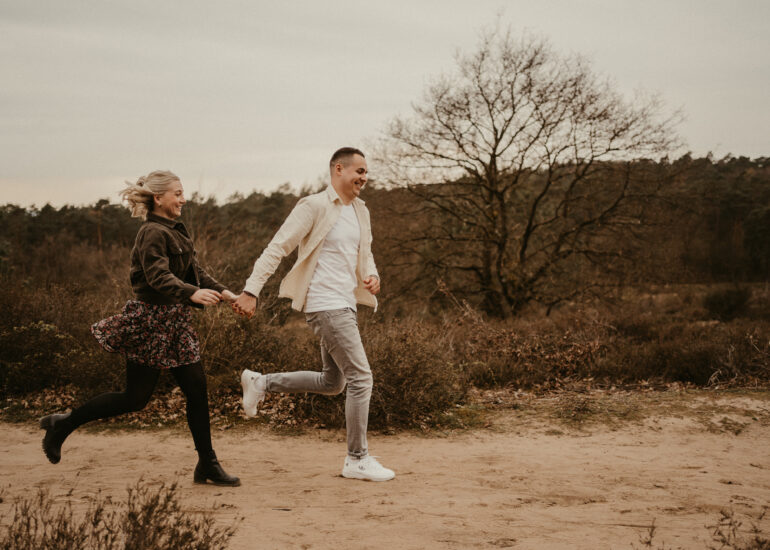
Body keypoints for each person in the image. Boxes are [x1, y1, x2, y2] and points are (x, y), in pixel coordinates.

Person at [39, 170, 240, 487]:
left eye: (182, 192)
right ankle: (62, 425)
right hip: (150, 322)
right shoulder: (151, 233)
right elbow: (158, 276)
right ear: (159, 198)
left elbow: (195, 272)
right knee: (135, 398)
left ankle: (207, 464)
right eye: (177, 193)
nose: (183, 199)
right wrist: (191, 293)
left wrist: (226, 293)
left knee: (197, 390)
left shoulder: (177, 231)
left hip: (176, 321)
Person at [233, 147, 394, 482]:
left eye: (366, 172)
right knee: (362, 378)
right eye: (358, 171)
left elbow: (366, 252)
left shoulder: (360, 210)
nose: (364, 178)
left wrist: (373, 276)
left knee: (333, 383)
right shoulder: (314, 206)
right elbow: (276, 248)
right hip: (325, 304)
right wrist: (251, 290)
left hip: (345, 303)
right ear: (339, 169)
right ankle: (356, 458)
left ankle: (260, 382)